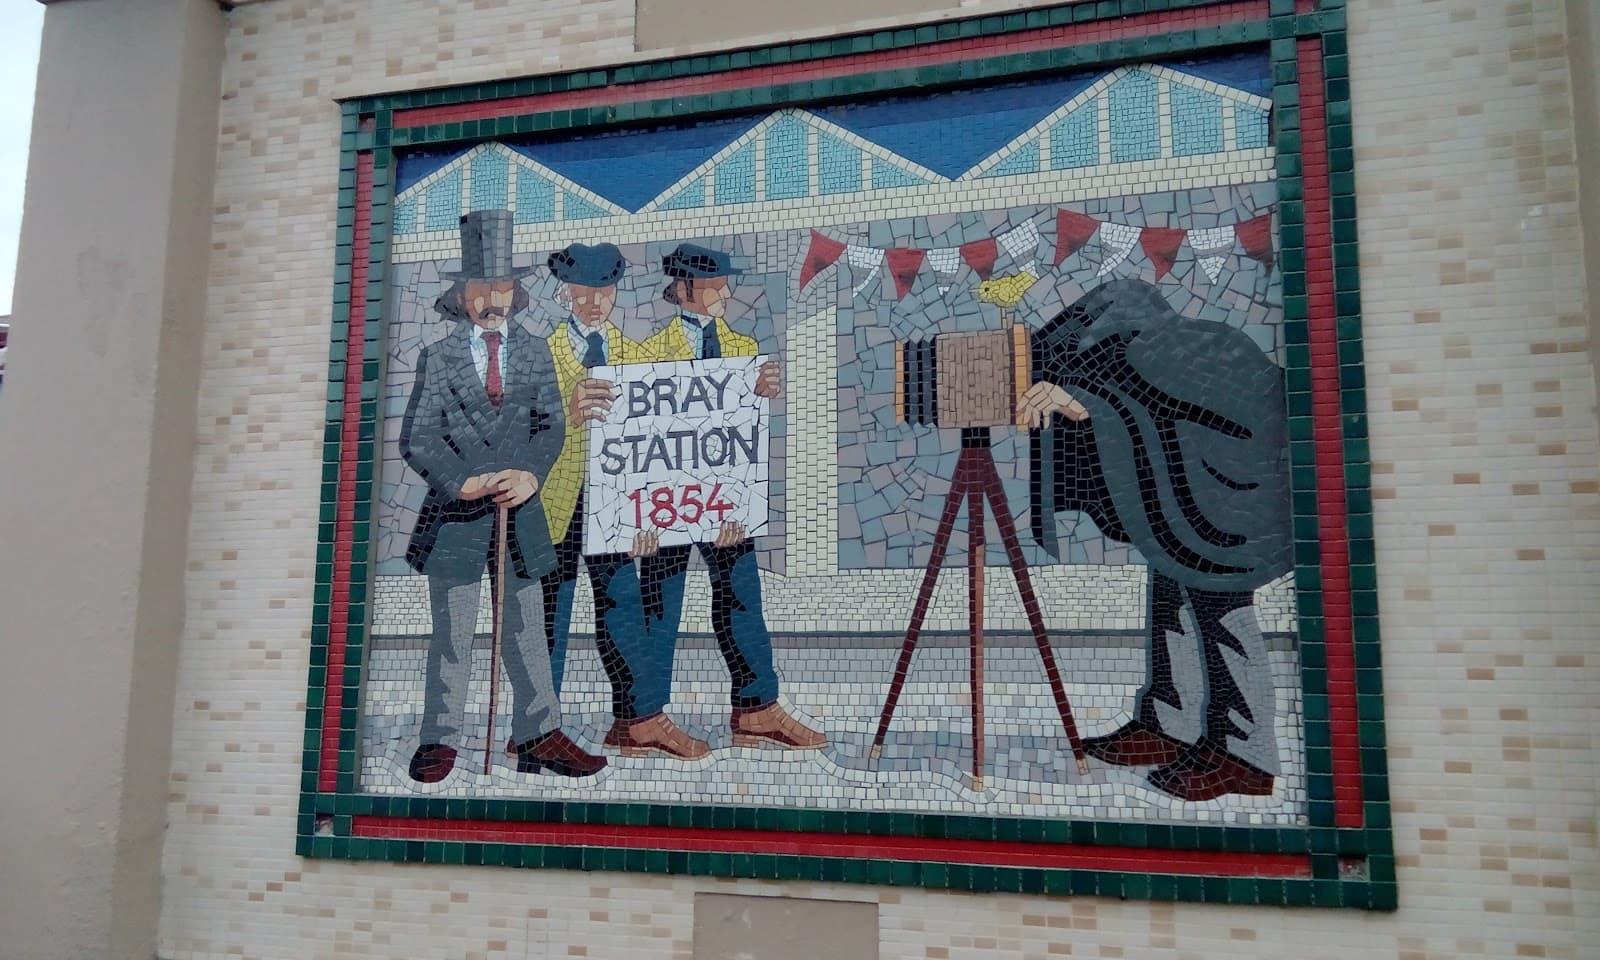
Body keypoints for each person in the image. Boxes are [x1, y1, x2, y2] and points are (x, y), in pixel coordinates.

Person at [1018, 278, 1293, 801]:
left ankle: (1246, 755)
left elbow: (1173, 413)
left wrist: (1080, 404)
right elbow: (1147, 413)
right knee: (1171, 604)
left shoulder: (1187, 350)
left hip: (1227, 517)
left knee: (1223, 618)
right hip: (1182, 514)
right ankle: (1168, 725)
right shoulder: (1154, 349)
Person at [399, 209, 604, 783]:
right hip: (454, 518)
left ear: (515, 292)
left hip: (520, 513)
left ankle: (540, 732)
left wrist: (532, 474)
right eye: (480, 289)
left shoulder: (536, 353)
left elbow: (550, 428)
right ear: (462, 296)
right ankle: (439, 738)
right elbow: (417, 436)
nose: (492, 298)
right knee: (453, 633)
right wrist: (457, 480)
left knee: (526, 628)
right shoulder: (436, 358)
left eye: (502, 287)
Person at [635, 243, 826, 752]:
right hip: (669, 503)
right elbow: (639, 437)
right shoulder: (651, 353)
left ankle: (757, 709)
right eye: (714, 282)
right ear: (683, 289)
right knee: (659, 602)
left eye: (724, 281)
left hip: (725, 502)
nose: (724, 291)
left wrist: (764, 390)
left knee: (742, 595)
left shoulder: (743, 347)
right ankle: (645, 715)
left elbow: (744, 433)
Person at [539, 242, 706, 760]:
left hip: (616, 502)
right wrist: (566, 411)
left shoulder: (634, 356)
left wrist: (755, 384)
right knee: (550, 611)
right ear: (566, 292)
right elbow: (517, 431)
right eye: (584, 292)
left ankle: (638, 718)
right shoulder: (540, 356)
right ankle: (537, 728)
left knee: (623, 605)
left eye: (603, 292)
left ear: (615, 292)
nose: (594, 303)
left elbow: (675, 414)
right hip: (554, 503)